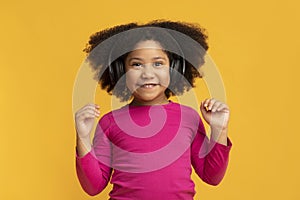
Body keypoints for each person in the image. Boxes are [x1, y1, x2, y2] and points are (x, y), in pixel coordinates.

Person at [75, 20, 232, 200]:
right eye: (136, 64)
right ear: (121, 70)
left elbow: (212, 176)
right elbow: (93, 186)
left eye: (158, 63)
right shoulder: (110, 122)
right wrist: (83, 137)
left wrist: (219, 129)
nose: (147, 74)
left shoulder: (189, 118)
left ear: (173, 69)